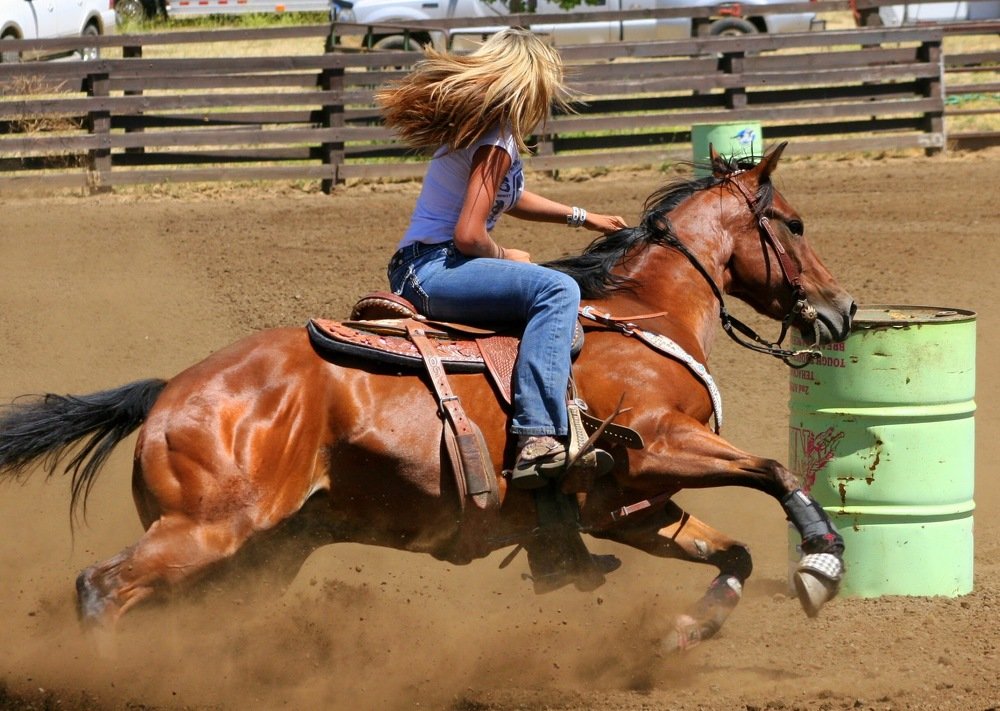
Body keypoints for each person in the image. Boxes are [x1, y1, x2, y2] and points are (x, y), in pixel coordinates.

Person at [377, 28, 628, 489]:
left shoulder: (494, 135)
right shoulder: (496, 139)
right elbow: (470, 236)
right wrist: (507, 254)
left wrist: (583, 217)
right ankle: (538, 437)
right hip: (433, 268)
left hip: (427, 265)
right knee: (559, 289)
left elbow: (509, 196)